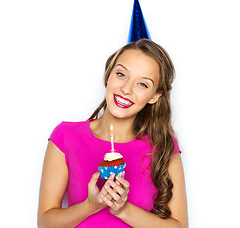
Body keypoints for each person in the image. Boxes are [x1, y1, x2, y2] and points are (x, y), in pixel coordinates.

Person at [37, 39, 188, 228]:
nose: (126, 89)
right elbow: (45, 222)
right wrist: (91, 206)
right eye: (121, 74)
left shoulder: (163, 145)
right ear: (108, 75)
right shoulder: (65, 136)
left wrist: (124, 210)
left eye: (142, 84)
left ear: (155, 96)